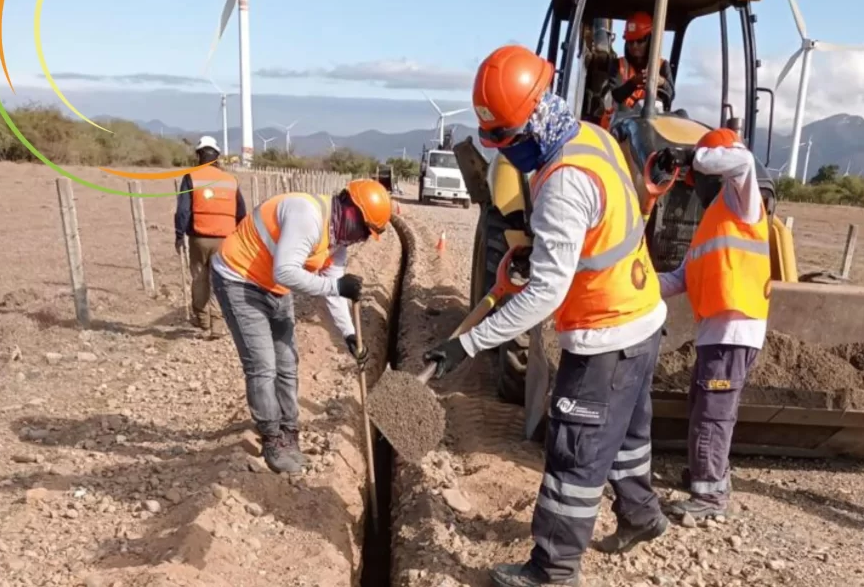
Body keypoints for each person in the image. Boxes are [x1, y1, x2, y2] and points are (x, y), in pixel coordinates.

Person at [422, 44, 670, 587]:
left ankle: (552, 569)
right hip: (643, 317)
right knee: (627, 434)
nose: (505, 152)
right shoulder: (589, 135)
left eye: (507, 140)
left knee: (574, 455)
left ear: (532, 121)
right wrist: (536, 252)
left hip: (604, 335)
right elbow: (595, 229)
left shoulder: (561, 183)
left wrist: (468, 343)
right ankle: (643, 517)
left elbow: (545, 296)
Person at [210, 179, 392, 474]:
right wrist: (335, 285)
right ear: (349, 210)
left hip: (274, 288)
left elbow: (334, 293)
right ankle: (271, 437)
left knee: (287, 363)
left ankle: (289, 431)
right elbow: (286, 271)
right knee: (262, 365)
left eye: (367, 235)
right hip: (239, 280)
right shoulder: (307, 216)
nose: (362, 239)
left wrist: (349, 334)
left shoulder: (338, 242)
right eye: (363, 230)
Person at [653, 127, 771, 519]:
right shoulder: (712, 221)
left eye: (696, 175)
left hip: (734, 332)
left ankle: (710, 497)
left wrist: (693, 155)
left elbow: (742, 159)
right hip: (716, 335)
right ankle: (709, 475)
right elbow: (678, 280)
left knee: (712, 413)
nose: (692, 182)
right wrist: (632, 284)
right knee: (704, 406)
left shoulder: (741, 201)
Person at [174, 136, 246, 331]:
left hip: (199, 237)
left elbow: (183, 211)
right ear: (217, 157)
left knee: (199, 278)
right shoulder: (231, 180)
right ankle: (217, 322)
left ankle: (203, 319)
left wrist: (179, 235)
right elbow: (241, 212)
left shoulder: (191, 177)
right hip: (226, 239)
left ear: (199, 155)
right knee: (220, 279)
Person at [607, 11, 675, 118]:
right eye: (630, 41)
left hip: (654, 121)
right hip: (622, 124)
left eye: (640, 41)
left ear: (651, 40)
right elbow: (617, 96)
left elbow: (670, 95)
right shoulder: (617, 65)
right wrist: (634, 82)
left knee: (681, 113)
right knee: (623, 108)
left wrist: (661, 82)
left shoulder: (662, 65)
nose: (634, 46)